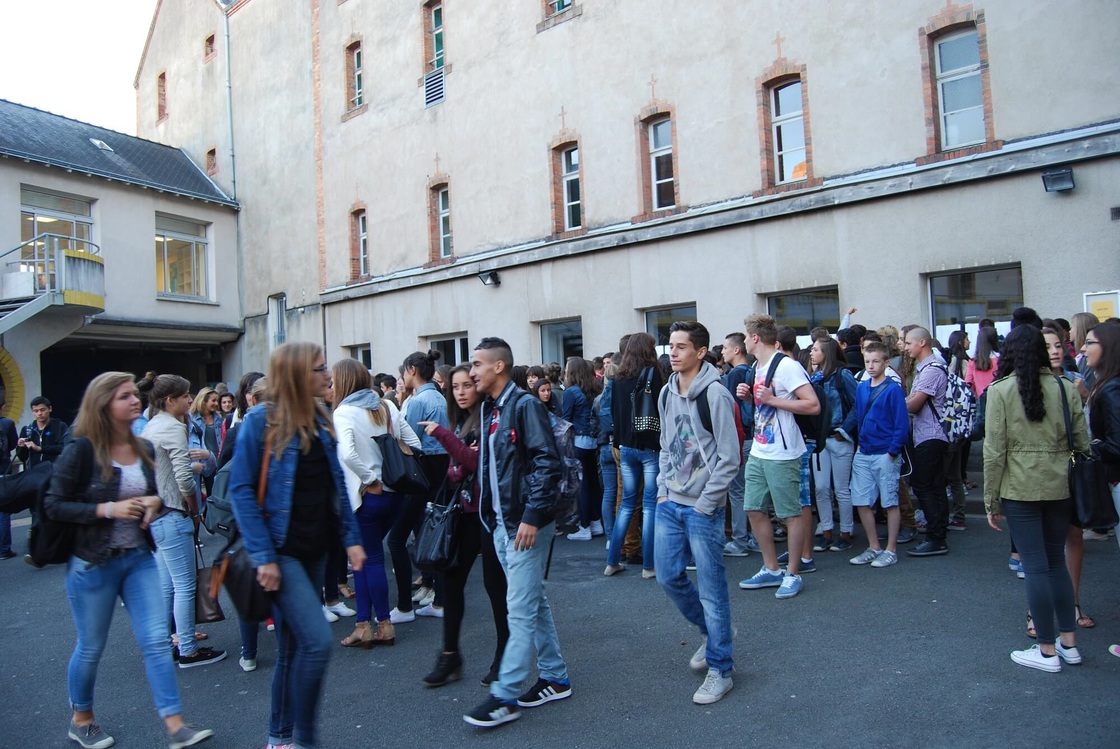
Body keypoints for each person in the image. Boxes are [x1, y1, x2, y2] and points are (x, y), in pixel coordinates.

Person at [46, 372, 214, 749]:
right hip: (93, 562)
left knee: (156, 641)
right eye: (124, 396)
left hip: (138, 558)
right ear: (104, 404)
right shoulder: (82, 450)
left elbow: (153, 492)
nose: (134, 400)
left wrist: (154, 503)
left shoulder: (143, 447)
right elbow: (53, 504)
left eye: (133, 394)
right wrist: (108, 509)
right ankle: (82, 718)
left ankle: (175, 725)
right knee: (91, 645)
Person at [229, 342, 366, 749]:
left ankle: (280, 738)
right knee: (317, 642)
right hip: (280, 550)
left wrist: (351, 538)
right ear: (296, 376)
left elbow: (336, 484)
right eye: (320, 369)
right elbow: (240, 491)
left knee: (292, 649)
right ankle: (305, 740)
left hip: (315, 549)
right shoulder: (260, 422)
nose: (328, 376)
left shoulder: (321, 418)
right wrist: (264, 556)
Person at [464, 337, 569, 728]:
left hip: (524, 526)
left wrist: (531, 516)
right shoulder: (493, 408)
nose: (471, 371)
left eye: (476, 364)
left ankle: (504, 696)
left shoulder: (523, 406)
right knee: (532, 602)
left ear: (498, 367)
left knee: (520, 610)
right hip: (503, 525)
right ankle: (555, 677)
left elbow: (547, 464)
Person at [985, 325, 1087, 672]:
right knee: (1055, 563)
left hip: (1019, 489)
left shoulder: (1000, 390)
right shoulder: (1064, 386)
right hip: (1061, 485)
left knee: (1035, 566)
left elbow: (993, 450)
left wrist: (990, 501)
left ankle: (1046, 650)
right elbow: (1083, 441)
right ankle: (1068, 644)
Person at [655, 321, 738, 704]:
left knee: (713, 589)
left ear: (701, 352)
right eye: (671, 346)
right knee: (669, 576)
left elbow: (729, 457)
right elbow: (665, 444)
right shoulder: (666, 392)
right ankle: (713, 633)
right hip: (670, 502)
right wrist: (661, 490)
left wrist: (707, 503)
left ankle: (721, 668)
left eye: (681, 347)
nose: (672, 352)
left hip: (701, 507)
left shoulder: (716, 395)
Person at [417, 363, 510, 688]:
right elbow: (459, 469)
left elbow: (474, 462)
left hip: (488, 514)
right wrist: (460, 461)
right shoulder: (462, 422)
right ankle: (449, 655)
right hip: (464, 513)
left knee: (495, 587)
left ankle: (504, 657)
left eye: (466, 385)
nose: (460, 391)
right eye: (454, 387)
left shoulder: (488, 416)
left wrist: (445, 440)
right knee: (452, 582)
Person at [331, 359, 420, 649]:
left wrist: (370, 478)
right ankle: (363, 625)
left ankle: (381, 624)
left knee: (369, 560)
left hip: (366, 495)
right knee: (366, 561)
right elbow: (413, 442)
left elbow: (346, 454)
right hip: (395, 494)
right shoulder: (387, 406)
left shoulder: (344, 411)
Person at [142, 376, 225, 668]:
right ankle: (188, 649)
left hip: (157, 515)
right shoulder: (173, 428)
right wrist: (194, 510)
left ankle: (166, 643)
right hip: (174, 513)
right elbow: (184, 480)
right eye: (186, 396)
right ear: (170, 401)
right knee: (185, 585)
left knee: (168, 586)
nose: (190, 401)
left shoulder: (151, 425)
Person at [737, 314, 820, 599]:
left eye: (746, 336)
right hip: (761, 449)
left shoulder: (787, 366)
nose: (744, 341)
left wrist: (772, 400)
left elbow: (813, 405)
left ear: (756, 337)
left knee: (790, 513)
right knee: (753, 509)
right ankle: (772, 569)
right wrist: (751, 397)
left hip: (783, 454)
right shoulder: (758, 366)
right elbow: (767, 403)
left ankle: (793, 573)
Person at [606, 332, 664, 577]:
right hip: (650, 444)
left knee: (627, 504)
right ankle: (649, 566)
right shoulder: (655, 373)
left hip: (625, 446)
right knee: (650, 506)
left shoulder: (618, 377)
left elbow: (615, 413)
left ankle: (612, 561)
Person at [848, 342, 909, 568]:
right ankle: (874, 546)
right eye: (867, 362)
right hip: (864, 451)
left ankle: (890, 549)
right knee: (861, 501)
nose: (871, 366)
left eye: (875, 361)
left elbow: (901, 424)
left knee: (890, 501)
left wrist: (892, 452)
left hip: (885, 452)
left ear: (886, 362)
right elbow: (860, 417)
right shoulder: (862, 387)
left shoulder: (893, 389)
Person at [903, 326, 951, 556]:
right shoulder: (927, 368)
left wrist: (896, 402)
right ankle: (939, 531)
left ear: (922, 342)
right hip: (933, 434)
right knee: (935, 484)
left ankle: (935, 536)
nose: (905, 347)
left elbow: (914, 404)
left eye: (909, 343)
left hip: (930, 435)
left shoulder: (931, 369)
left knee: (922, 484)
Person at [808, 337, 858, 552]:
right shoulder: (815, 378)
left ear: (826, 353)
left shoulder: (843, 375)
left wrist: (844, 431)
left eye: (815, 349)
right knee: (820, 487)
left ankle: (846, 532)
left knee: (841, 488)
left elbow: (858, 404)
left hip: (839, 437)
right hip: (820, 439)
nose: (811, 352)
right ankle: (826, 530)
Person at [719, 333, 754, 558]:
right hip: (753, 437)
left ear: (736, 350)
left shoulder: (734, 375)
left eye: (725, 348)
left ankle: (740, 540)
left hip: (741, 438)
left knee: (738, 491)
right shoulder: (751, 371)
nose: (722, 352)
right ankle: (754, 538)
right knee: (752, 490)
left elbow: (731, 411)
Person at [562, 357, 603, 541]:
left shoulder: (571, 392)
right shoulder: (593, 389)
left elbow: (565, 420)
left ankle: (585, 526)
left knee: (582, 485)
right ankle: (595, 522)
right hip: (593, 441)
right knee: (593, 483)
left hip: (578, 441)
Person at [18, 396, 69, 468]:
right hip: (34, 473)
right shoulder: (27, 430)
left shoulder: (60, 426)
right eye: (36, 411)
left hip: (55, 471)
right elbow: (22, 457)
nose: (39, 413)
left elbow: (64, 448)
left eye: (43, 410)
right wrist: (21, 447)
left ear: (50, 409)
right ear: (32, 412)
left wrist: (40, 448)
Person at [0, 398, 18, 560]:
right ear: (3, 407)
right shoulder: (7, 423)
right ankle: (4, 549)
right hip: (3, 471)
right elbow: (12, 445)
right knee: (3, 510)